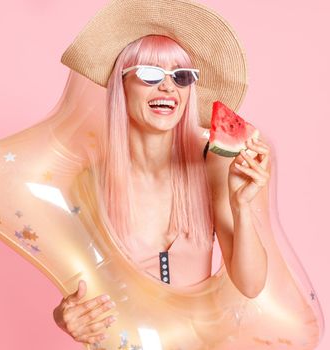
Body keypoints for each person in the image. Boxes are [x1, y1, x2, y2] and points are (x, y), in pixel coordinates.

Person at [51, 0, 271, 346]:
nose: (168, 88)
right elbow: (75, 288)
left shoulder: (212, 163)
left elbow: (251, 283)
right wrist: (65, 316)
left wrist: (242, 207)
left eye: (181, 77)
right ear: (121, 85)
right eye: (150, 74)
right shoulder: (87, 181)